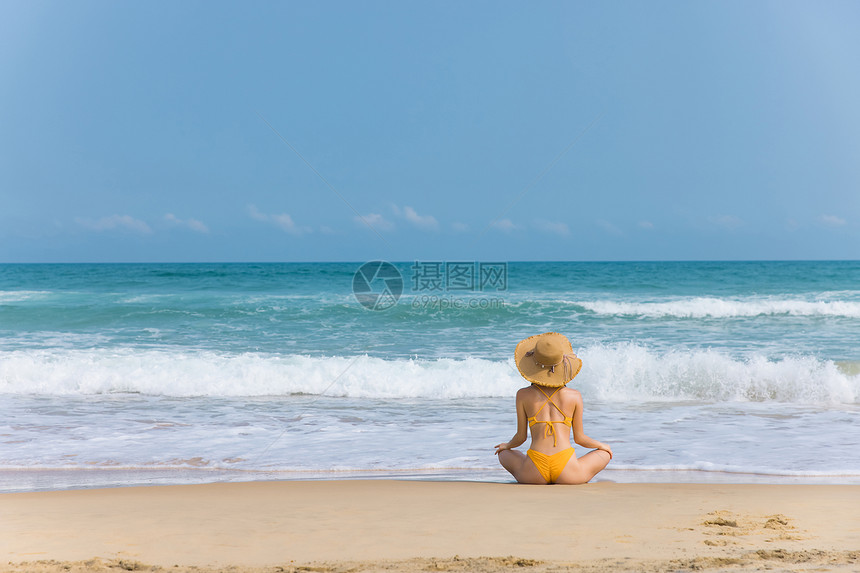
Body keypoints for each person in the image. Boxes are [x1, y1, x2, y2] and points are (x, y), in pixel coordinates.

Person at [495, 332, 612, 484]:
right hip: (568, 471)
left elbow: (520, 437)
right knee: (605, 453)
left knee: (503, 453)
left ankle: (529, 472)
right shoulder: (574, 396)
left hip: (533, 471)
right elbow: (580, 438)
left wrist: (507, 445)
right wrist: (601, 445)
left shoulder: (523, 395)